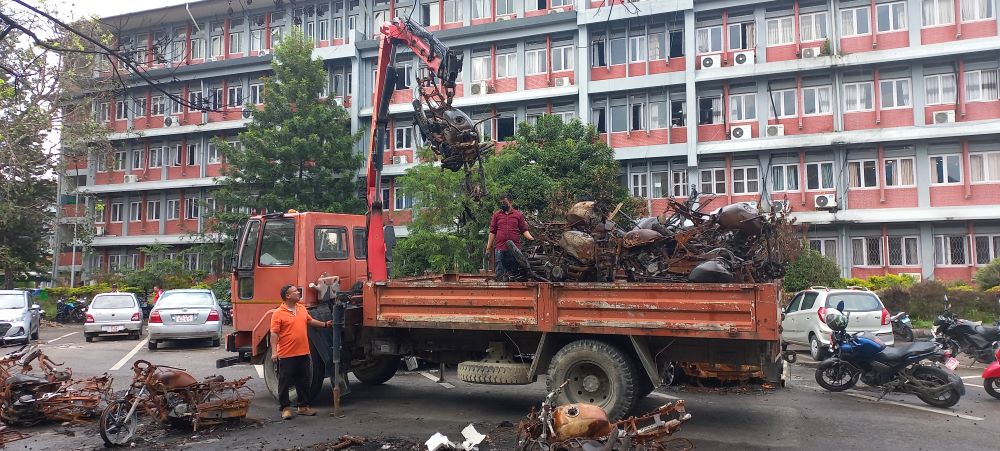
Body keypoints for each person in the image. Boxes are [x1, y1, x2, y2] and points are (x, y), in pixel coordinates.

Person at [270, 284, 333, 420]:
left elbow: (310, 321)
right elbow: (274, 334)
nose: (298, 293)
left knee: (303, 381)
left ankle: (303, 407)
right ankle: (285, 408)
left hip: (303, 353)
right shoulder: (278, 313)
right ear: (287, 296)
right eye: (295, 291)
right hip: (286, 354)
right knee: (284, 382)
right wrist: (274, 352)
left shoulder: (301, 308)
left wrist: (324, 324)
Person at [485, 193, 534, 280]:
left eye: (504, 202)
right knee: (499, 269)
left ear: (511, 202)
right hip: (500, 247)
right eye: (501, 203)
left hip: (514, 248)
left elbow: (524, 230)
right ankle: (499, 285)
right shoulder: (497, 215)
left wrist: (531, 238)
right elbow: (492, 232)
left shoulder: (518, 215)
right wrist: (488, 248)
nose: (502, 204)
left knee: (514, 270)